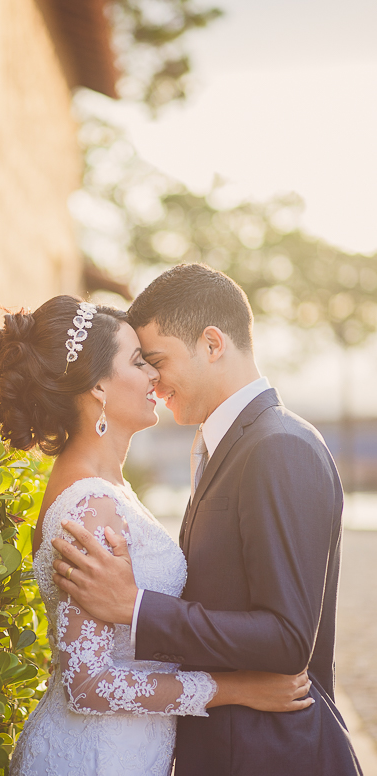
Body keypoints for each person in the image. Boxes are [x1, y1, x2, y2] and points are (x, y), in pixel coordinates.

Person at [0, 294, 313, 776]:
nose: (155, 375)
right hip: (93, 759)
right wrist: (236, 689)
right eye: (139, 362)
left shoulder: (111, 489)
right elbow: (88, 683)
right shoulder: (89, 507)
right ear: (97, 385)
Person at [52, 264, 363, 776]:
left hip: (271, 754)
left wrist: (135, 607)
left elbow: (287, 639)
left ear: (212, 344)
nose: (153, 378)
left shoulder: (278, 447)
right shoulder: (225, 446)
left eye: (157, 360)